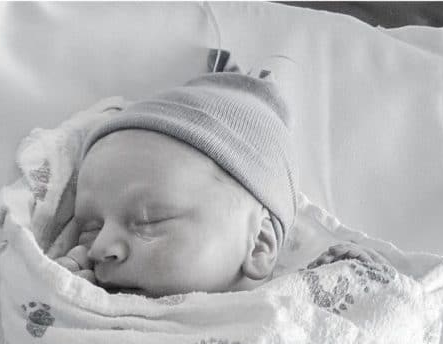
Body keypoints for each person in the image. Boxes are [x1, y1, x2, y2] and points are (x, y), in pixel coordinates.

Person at [49, 70, 388, 297]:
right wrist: (62, 304)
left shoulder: (294, 315)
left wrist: (361, 290)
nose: (98, 248)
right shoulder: (92, 302)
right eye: (89, 229)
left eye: (150, 221)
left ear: (258, 244)